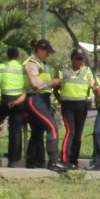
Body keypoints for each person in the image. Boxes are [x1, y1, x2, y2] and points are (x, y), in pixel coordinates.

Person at [22, 39, 67, 172]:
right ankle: (53, 162)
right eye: (47, 52)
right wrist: (53, 82)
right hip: (35, 98)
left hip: (43, 99)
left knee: (37, 130)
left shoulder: (42, 64)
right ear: (41, 50)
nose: (48, 55)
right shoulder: (31, 63)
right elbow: (35, 83)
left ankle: (32, 161)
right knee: (52, 127)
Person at [0, 46, 26, 167]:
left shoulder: (2, 67)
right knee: (15, 130)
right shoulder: (22, 68)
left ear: (7, 56)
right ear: (17, 56)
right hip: (19, 101)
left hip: (6, 100)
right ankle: (13, 160)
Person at [56, 48, 94, 168]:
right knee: (70, 131)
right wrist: (60, 100)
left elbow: (92, 85)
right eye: (77, 59)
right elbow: (55, 88)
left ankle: (73, 161)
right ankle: (63, 159)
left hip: (82, 106)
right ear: (72, 59)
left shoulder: (87, 72)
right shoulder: (63, 71)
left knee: (78, 134)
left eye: (81, 59)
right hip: (68, 105)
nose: (79, 61)